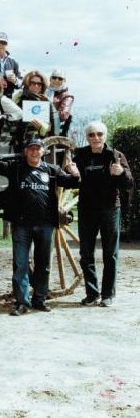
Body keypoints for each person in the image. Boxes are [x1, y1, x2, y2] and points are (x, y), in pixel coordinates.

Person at [0, 134, 80, 315]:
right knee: (20, 264)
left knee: (43, 264)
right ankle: (22, 303)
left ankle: (40, 299)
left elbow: (72, 182)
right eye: (31, 149)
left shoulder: (51, 171)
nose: (34, 152)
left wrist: (75, 171)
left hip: (45, 225)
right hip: (22, 225)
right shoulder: (16, 169)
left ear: (43, 152)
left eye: (37, 149)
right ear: (25, 152)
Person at [72, 121, 134, 307]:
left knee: (110, 253)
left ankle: (108, 295)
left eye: (99, 134)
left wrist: (121, 172)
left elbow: (129, 184)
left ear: (104, 136)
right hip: (87, 210)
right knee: (86, 253)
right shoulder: (80, 156)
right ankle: (92, 293)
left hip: (110, 209)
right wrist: (72, 172)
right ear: (87, 137)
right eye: (91, 135)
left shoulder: (115, 156)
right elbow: (71, 181)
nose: (96, 138)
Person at [14, 70, 60, 141]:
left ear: (43, 85)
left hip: (43, 140)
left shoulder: (46, 100)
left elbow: (55, 123)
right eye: (33, 83)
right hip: (22, 140)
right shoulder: (19, 98)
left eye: (39, 84)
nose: (36, 86)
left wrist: (43, 128)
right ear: (27, 83)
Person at [46, 69, 75, 136]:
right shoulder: (44, 91)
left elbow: (63, 115)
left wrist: (45, 113)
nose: (57, 80)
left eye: (60, 78)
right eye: (54, 77)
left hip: (55, 129)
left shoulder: (68, 97)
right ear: (50, 79)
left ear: (64, 80)